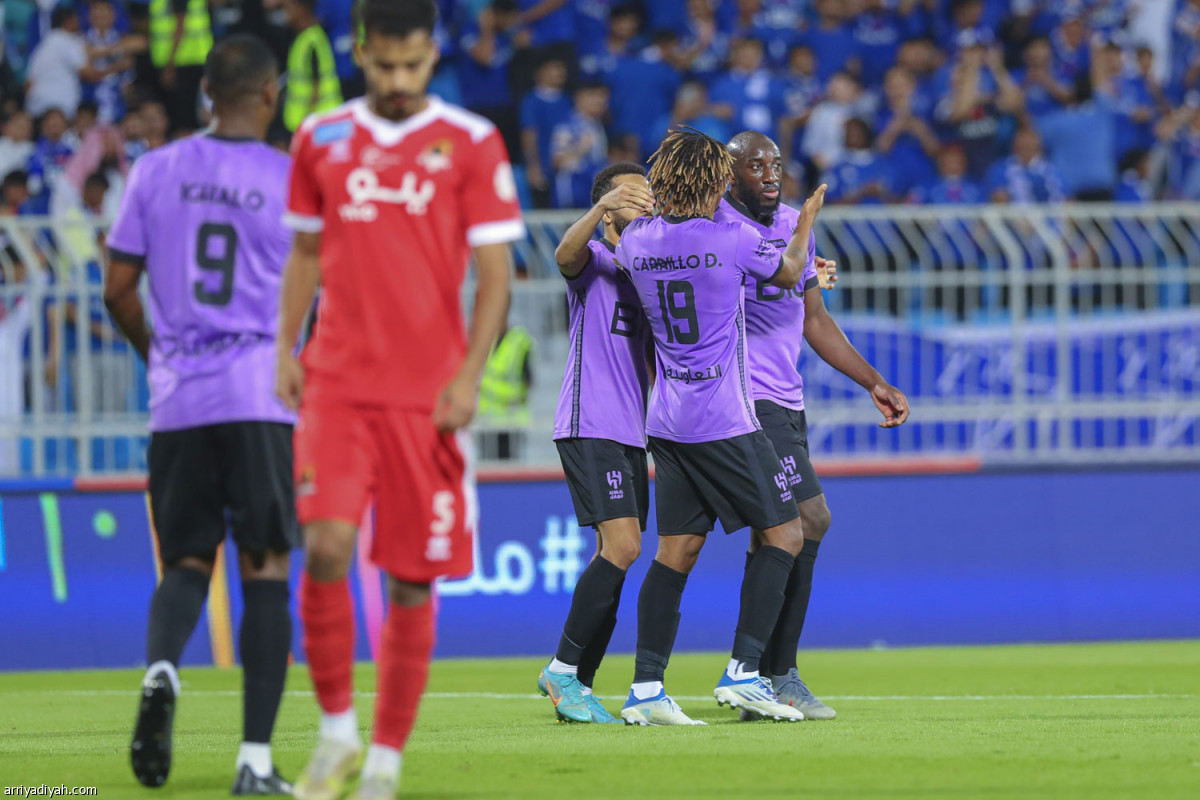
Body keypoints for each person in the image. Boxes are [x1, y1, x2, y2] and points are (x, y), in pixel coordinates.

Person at [276, 0, 525, 796]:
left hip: (426, 398)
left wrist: (467, 376)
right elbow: (306, 253)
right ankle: (336, 733)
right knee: (324, 549)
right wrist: (285, 346)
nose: (396, 82)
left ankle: (385, 758)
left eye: (411, 66)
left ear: (430, 53)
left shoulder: (473, 142)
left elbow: (494, 279)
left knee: (411, 579)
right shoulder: (319, 138)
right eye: (382, 66)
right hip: (338, 387)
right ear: (361, 52)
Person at [104, 34, 297, 795]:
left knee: (186, 562)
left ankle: (160, 671)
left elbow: (118, 288)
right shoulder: (291, 180)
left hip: (178, 397)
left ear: (207, 94)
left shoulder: (155, 170)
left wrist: (159, 352)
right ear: (271, 94)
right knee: (266, 568)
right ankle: (253, 761)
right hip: (257, 394)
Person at [616, 127, 818, 726]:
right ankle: (745, 673)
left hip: (668, 421)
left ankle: (647, 689)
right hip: (725, 417)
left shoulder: (637, 240)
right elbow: (786, 274)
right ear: (714, 181)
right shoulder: (732, 237)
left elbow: (618, 253)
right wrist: (804, 223)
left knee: (675, 550)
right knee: (786, 535)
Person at [718, 130, 908, 721]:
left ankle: (758, 677)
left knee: (775, 532)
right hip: (746, 400)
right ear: (730, 174)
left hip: (788, 402)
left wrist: (873, 380)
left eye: (776, 162)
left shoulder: (794, 227)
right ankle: (776, 673)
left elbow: (814, 318)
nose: (770, 173)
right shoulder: (717, 229)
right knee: (810, 517)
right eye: (756, 164)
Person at [536, 162, 655, 724]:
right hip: (592, 421)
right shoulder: (595, 264)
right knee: (624, 547)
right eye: (633, 194)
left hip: (634, 431)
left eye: (647, 192)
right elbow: (563, 254)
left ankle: (579, 684)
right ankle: (562, 670)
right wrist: (603, 210)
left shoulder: (645, 268)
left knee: (618, 556)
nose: (643, 200)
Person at [149, 0, 214, 133]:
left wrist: (169, 65)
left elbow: (180, 26)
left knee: (184, 121)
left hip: (184, 63)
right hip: (187, 62)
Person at [282, 0, 343, 133]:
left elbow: (316, 84)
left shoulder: (312, 40)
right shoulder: (304, 37)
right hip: (311, 122)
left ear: (301, 9)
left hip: (319, 122)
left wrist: (309, 118)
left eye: (289, 9)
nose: (286, 15)